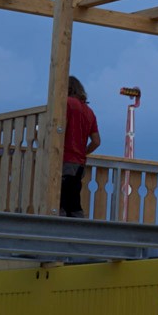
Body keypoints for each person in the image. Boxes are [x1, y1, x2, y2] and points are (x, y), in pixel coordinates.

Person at [61, 76, 102, 218]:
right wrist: (83, 152)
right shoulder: (89, 112)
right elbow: (96, 141)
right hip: (79, 164)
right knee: (74, 205)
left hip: (65, 159)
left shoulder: (66, 103)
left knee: (60, 204)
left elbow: (61, 128)